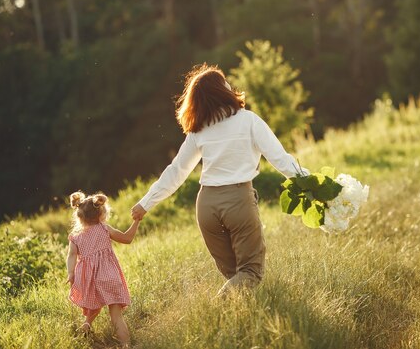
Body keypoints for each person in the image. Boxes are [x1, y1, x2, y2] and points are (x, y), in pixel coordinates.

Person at [130, 63, 307, 295]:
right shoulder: (248, 120)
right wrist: (313, 186)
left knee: (236, 277)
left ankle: (238, 324)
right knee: (250, 272)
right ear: (222, 90)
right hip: (238, 201)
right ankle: (214, 310)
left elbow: (176, 171)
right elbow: (281, 159)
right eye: (225, 82)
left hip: (206, 207)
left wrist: (146, 203)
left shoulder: (199, 130)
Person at [67, 191, 140, 347]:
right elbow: (127, 238)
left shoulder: (76, 236)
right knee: (116, 317)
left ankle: (87, 324)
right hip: (110, 277)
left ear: (79, 216)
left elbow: (71, 256)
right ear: (101, 214)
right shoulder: (104, 229)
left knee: (94, 305)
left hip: (89, 280)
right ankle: (125, 345)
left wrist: (71, 273)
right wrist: (136, 221)